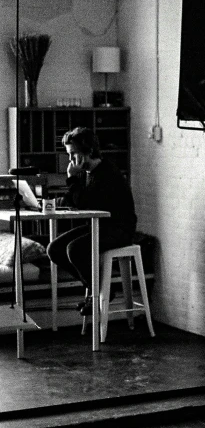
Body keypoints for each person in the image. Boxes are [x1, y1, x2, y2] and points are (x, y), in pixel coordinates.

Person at [47, 127, 137, 314]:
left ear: (88, 151)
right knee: (54, 249)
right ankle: (96, 289)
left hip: (120, 229)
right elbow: (80, 200)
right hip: (100, 226)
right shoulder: (89, 173)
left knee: (75, 249)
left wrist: (71, 178)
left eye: (73, 154)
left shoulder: (106, 173)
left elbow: (86, 204)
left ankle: (99, 292)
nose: (70, 160)